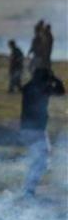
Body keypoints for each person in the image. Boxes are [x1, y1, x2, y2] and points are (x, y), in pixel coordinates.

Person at [18, 67, 65, 197]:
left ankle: (29, 188)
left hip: (29, 129)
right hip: (36, 130)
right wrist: (54, 79)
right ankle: (28, 189)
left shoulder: (29, 87)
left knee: (40, 159)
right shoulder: (43, 88)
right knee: (41, 161)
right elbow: (61, 91)